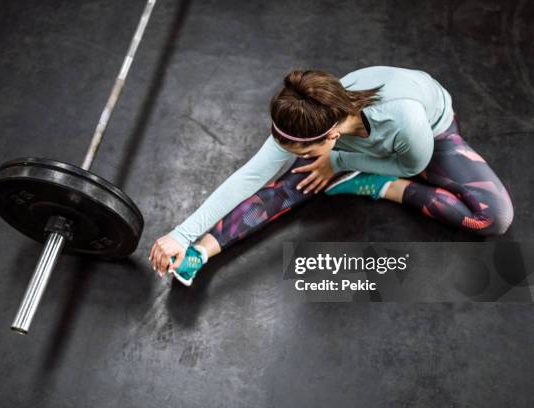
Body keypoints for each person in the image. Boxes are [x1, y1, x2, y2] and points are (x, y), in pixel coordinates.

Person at [149, 65, 514, 286]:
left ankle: (376, 186)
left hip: (426, 140)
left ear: (331, 136)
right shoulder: (308, 118)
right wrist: (182, 235)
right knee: (290, 184)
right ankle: (202, 253)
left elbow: (412, 166)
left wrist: (337, 163)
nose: (296, 157)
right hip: (349, 148)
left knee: (493, 218)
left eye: (305, 152)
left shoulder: (407, 120)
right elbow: (250, 177)